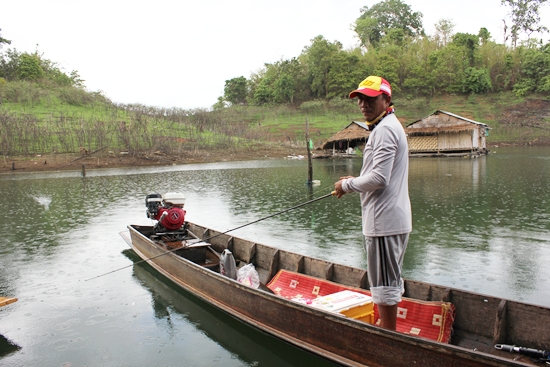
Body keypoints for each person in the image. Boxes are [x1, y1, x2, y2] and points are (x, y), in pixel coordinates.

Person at [333, 75, 412, 330]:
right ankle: (387, 328)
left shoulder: (386, 129)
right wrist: (354, 179)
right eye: (360, 100)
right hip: (388, 220)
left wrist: (347, 185)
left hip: (384, 222)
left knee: (385, 284)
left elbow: (379, 178)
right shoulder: (386, 126)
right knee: (387, 279)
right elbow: (376, 173)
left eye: (370, 99)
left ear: (386, 99)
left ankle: (388, 335)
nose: (363, 104)